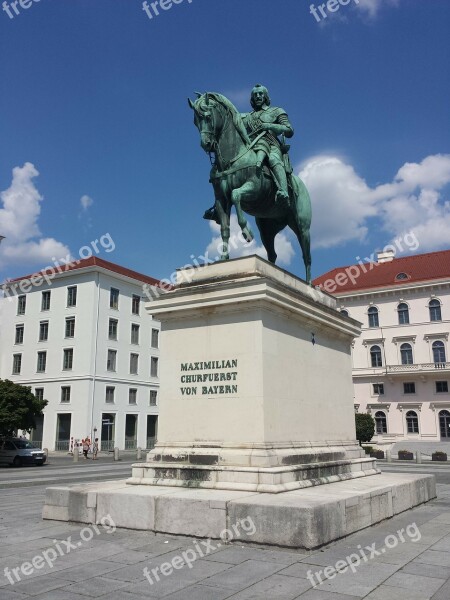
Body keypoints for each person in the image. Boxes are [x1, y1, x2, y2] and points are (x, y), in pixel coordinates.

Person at [242, 84, 294, 203]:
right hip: (252, 147)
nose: (258, 96)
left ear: (265, 96)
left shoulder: (276, 111)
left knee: (273, 159)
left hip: (272, 146)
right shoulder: (246, 117)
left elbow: (289, 130)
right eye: (255, 95)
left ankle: (284, 191)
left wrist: (269, 125)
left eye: (260, 94)